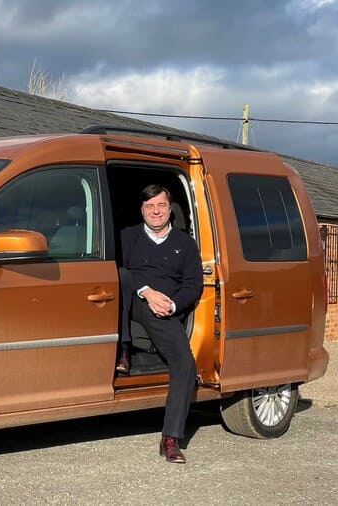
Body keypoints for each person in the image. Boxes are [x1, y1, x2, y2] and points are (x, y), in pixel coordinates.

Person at [117, 184, 203, 463]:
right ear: (142, 210)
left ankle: (171, 438)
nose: (156, 211)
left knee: (185, 364)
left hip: (165, 310)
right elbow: (120, 272)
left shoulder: (185, 243)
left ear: (170, 208)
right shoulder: (127, 237)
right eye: (149, 206)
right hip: (135, 300)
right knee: (121, 275)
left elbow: (193, 284)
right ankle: (123, 349)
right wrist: (148, 292)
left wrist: (172, 304)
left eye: (161, 206)